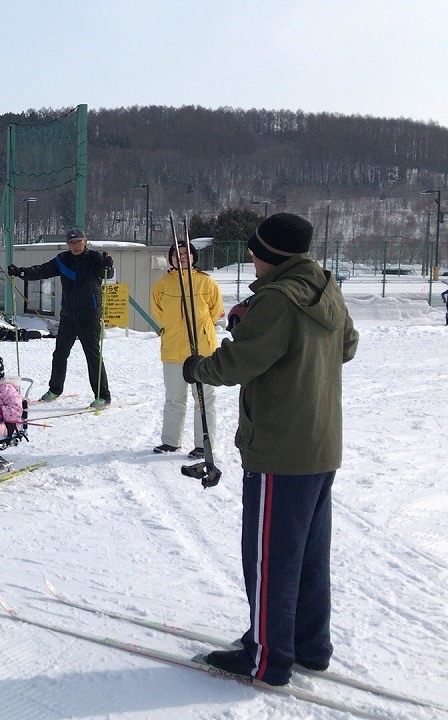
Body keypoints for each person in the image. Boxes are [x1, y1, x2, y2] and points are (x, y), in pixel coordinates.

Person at [184, 212, 359, 687]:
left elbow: (239, 363)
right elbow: (347, 345)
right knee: (305, 556)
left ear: (273, 255)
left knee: (269, 559)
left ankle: (266, 657)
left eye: (256, 252)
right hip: (321, 446)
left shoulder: (278, 300)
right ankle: (307, 645)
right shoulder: (325, 286)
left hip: (281, 449)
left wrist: (199, 366)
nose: (251, 260)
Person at [8, 228, 114, 408]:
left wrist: (108, 267)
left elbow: (107, 275)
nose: (75, 246)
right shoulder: (63, 260)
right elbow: (42, 270)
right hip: (68, 316)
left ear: (85, 241)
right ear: (68, 245)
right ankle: (55, 389)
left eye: (78, 242)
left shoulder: (95, 258)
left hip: (89, 316)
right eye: (72, 243)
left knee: (93, 356)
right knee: (59, 354)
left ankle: (103, 396)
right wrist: (21, 272)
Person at [150, 241, 223, 457]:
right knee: (174, 398)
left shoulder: (206, 283)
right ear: (171, 258)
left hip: (202, 351)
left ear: (193, 257)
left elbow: (214, 311)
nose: (180, 257)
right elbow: (159, 314)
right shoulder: (162, 285)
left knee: (203, 398)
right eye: (176, 254)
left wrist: (200, 332)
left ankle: (203, 444)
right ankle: (170, 441)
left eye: (185, 253)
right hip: (172, 350)